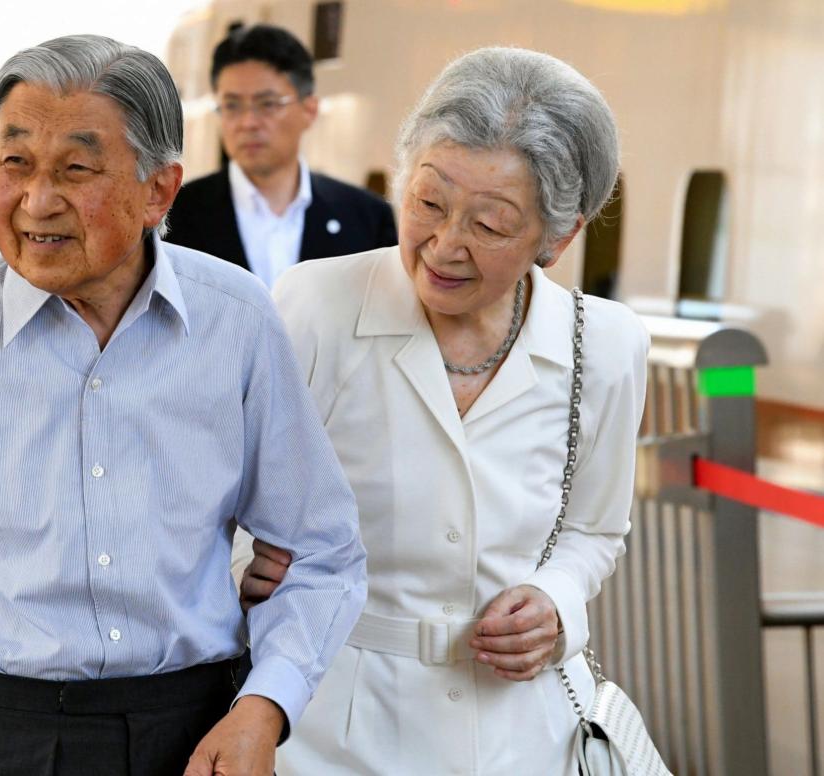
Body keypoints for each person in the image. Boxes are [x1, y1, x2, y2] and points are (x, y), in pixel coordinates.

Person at [0, 35, 366, 776]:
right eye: (15, 162)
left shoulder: (234, 320)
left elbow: (324, 551)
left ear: (159, 191)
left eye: (76, 169)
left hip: (192, 735)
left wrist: (264, 709)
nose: (37, 201)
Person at [235, 47, 650, 774]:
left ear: (559, 237)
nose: (443, 245)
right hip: (334, 726)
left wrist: (555, 602)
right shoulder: (315, 306)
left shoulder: (608, 347)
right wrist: (244, 564)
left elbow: (594, 528)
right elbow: (232, 498)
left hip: (523, 732)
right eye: (427, 202)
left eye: (489, 225)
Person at [164, 24, 397, 287]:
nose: (248, 122)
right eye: (232, 106)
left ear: (309, 110)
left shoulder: (367, 218)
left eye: (267, 104)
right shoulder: (173, 215)